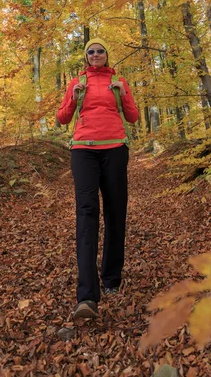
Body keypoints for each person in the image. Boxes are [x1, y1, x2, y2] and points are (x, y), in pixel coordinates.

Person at [57, 38, 139, 319]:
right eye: (90, 51)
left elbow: (134, 117)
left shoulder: (119, 80)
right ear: (85, 57)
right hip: (83, 151)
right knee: (86, 214)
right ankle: (87, 296)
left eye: (100, 50)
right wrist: (73, 95)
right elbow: (63, 118)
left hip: (115, 149)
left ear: (107, 54)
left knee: (116, 213)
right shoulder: (76, 81)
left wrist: (123, 93)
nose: (95, 54)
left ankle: (112, 279)